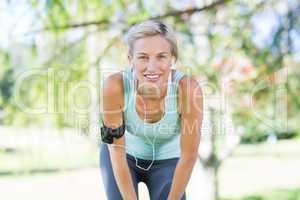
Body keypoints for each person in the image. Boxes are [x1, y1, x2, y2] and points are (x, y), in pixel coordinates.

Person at [100, 20, 203, 200]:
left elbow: (189, 156)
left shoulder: (187, 89)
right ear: (130, 59)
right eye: (143, 57)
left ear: (173, 58)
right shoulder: (114, 87)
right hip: (123, 157)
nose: (152, 67)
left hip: (168, 160)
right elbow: (116, 152)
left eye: (161, 56)